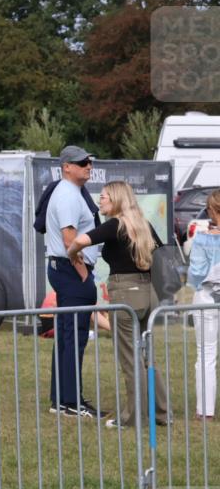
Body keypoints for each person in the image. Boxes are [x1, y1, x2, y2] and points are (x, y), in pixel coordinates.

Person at [66, 181, 169, 429]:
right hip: (148, 292)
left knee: (130, 359)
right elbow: (161, 254)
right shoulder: (142, 224)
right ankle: (162, 414)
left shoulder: (115, 225)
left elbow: (80, 240)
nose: (99, 201)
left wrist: (71, 254)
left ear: (115, 200)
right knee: (147, 358)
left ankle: (132, 417)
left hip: (126, 294)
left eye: (103, 197)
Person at [44, 145, 106, 418]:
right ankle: (70, 401)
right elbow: (70, 241)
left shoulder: (70, 191)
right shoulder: (68, 194)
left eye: (89, 161)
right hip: (71, 271)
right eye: (82, 162)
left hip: (66, 270)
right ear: (66, 166)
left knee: (68, 336)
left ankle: (62, 399)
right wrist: (83, 274)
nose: (88, 166)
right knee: (75, 337)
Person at [186, 189, 220, 420]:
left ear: (210, 210)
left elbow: (196, 275)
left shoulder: (203, 238)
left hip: (207, 297)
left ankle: (205, 411)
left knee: (206, 354)